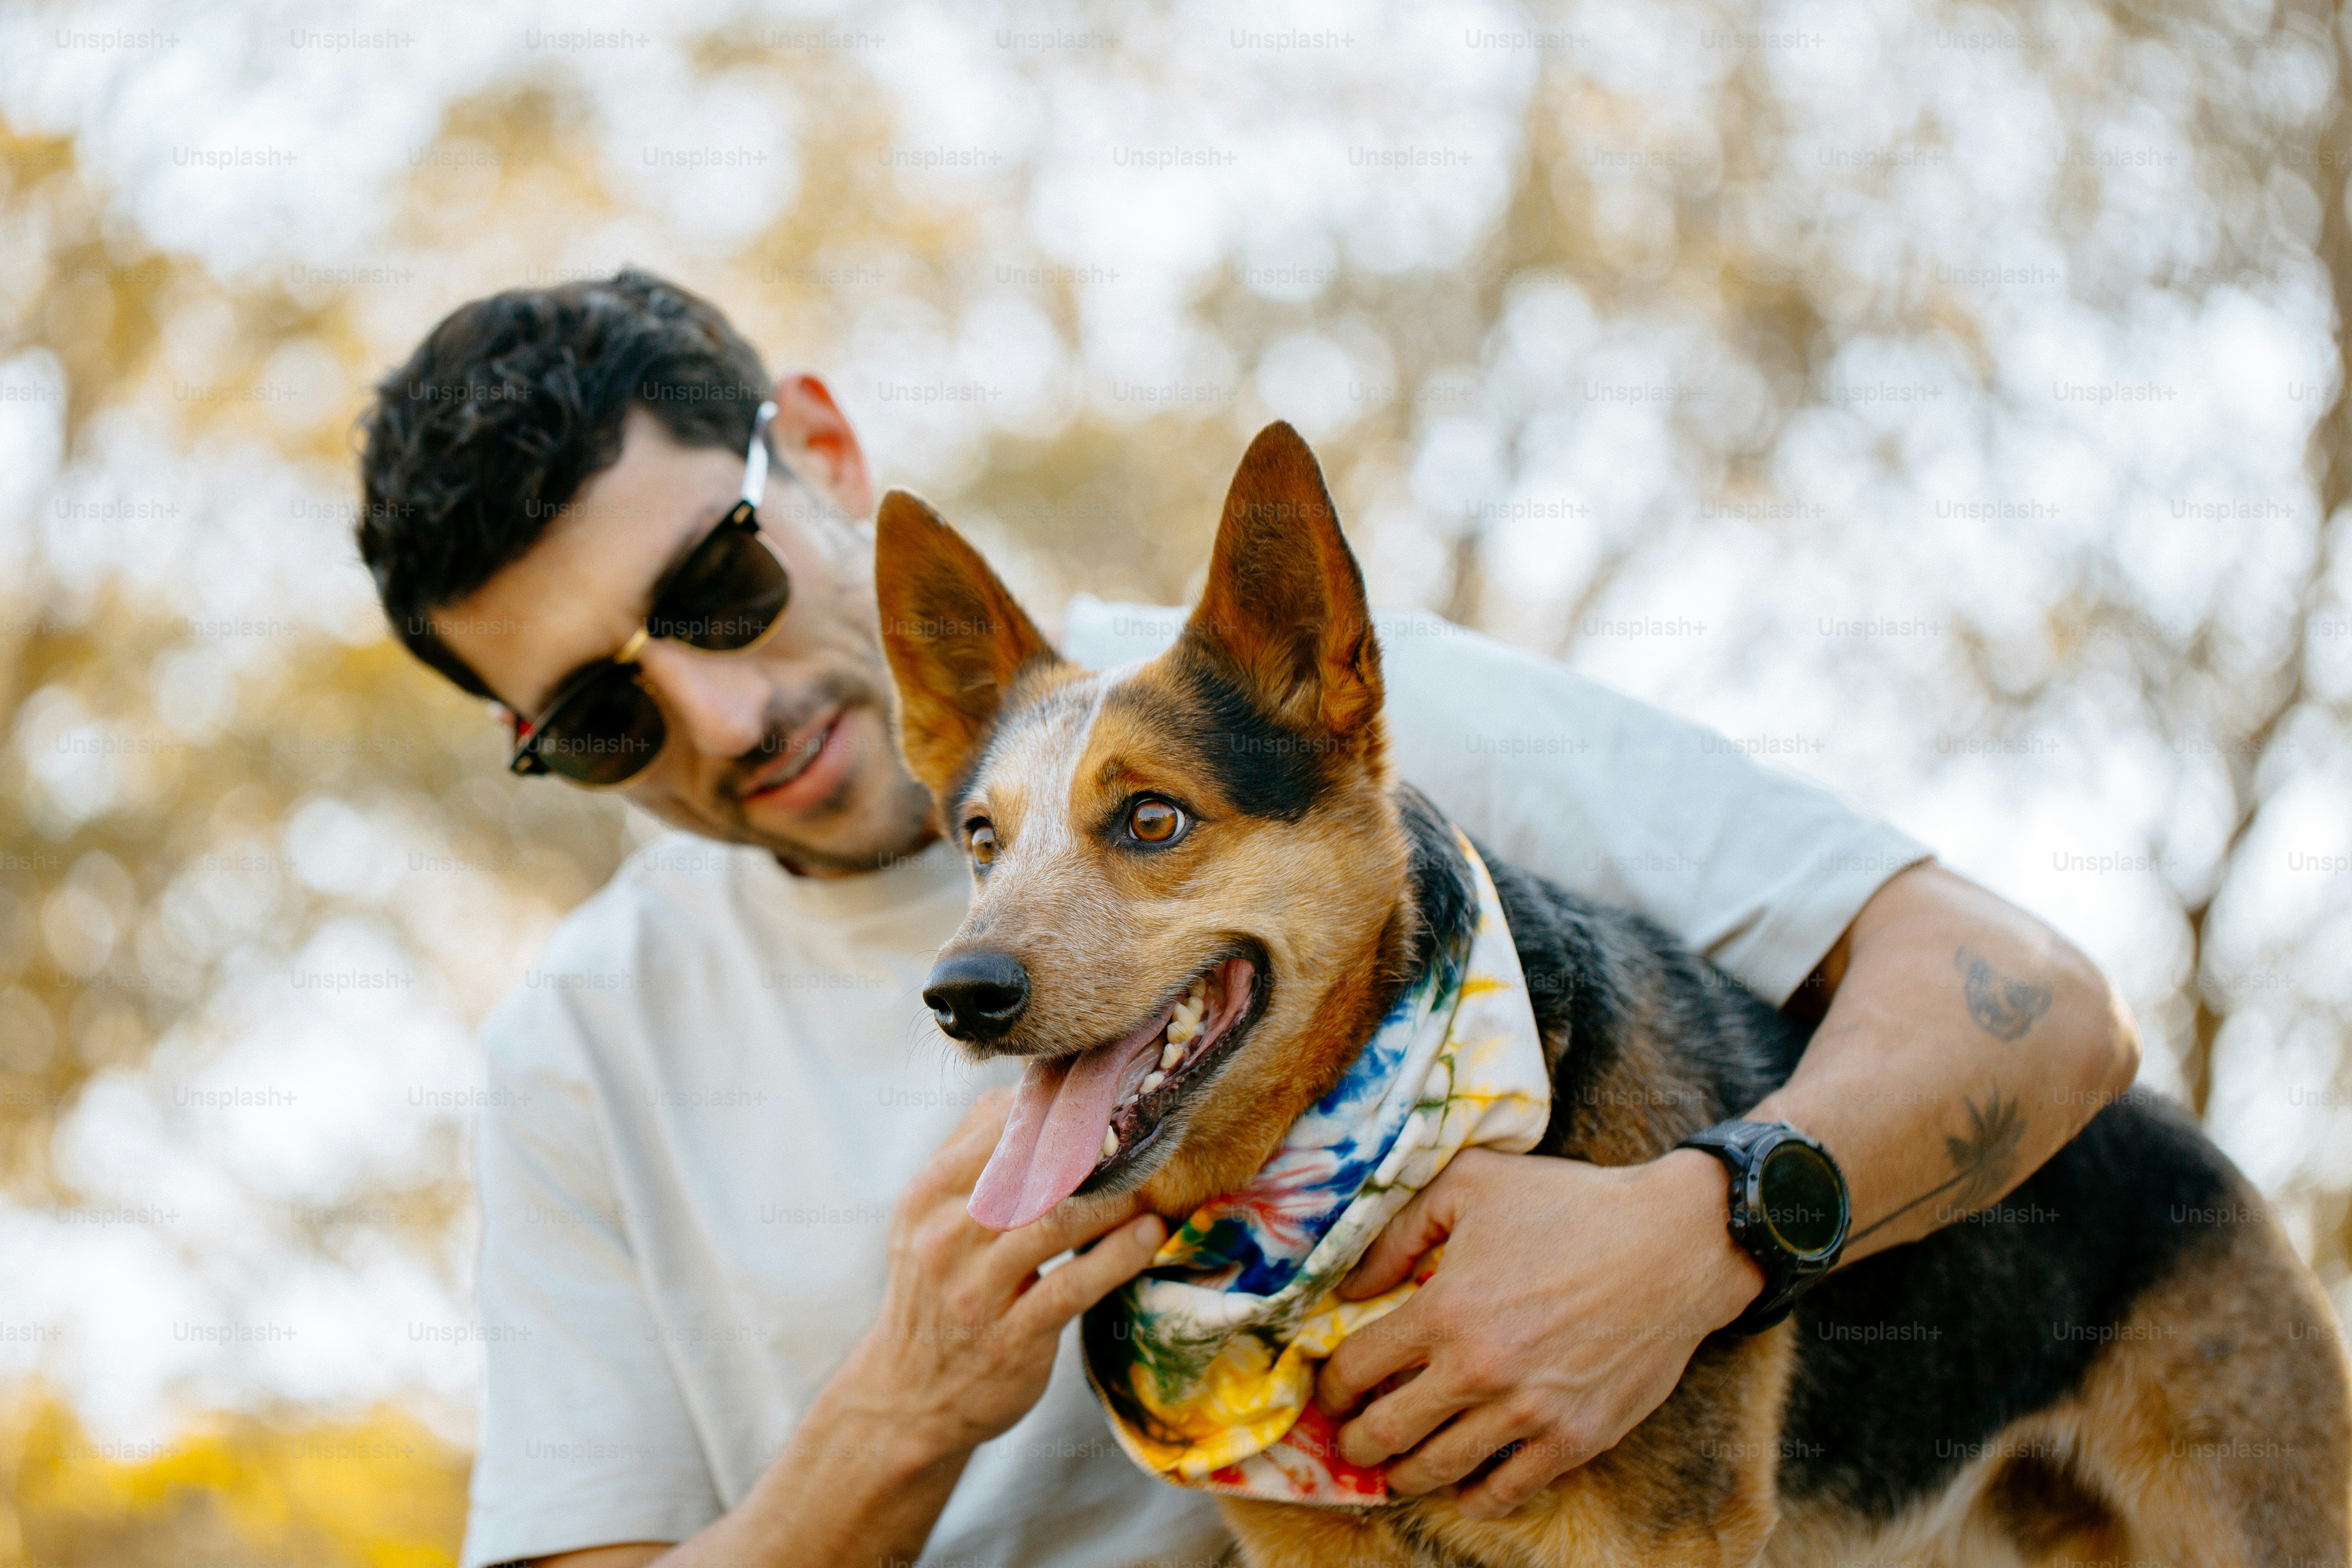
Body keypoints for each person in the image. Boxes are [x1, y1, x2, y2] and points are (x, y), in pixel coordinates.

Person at [354, 270, 2139, 1568]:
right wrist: (896, 1413)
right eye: (600, 712)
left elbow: (2038, 1004)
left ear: (819, 446)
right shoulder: (579, 1045)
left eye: (718, 581)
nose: (723, 716)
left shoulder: (1319, 728)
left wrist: (1696, 1233)